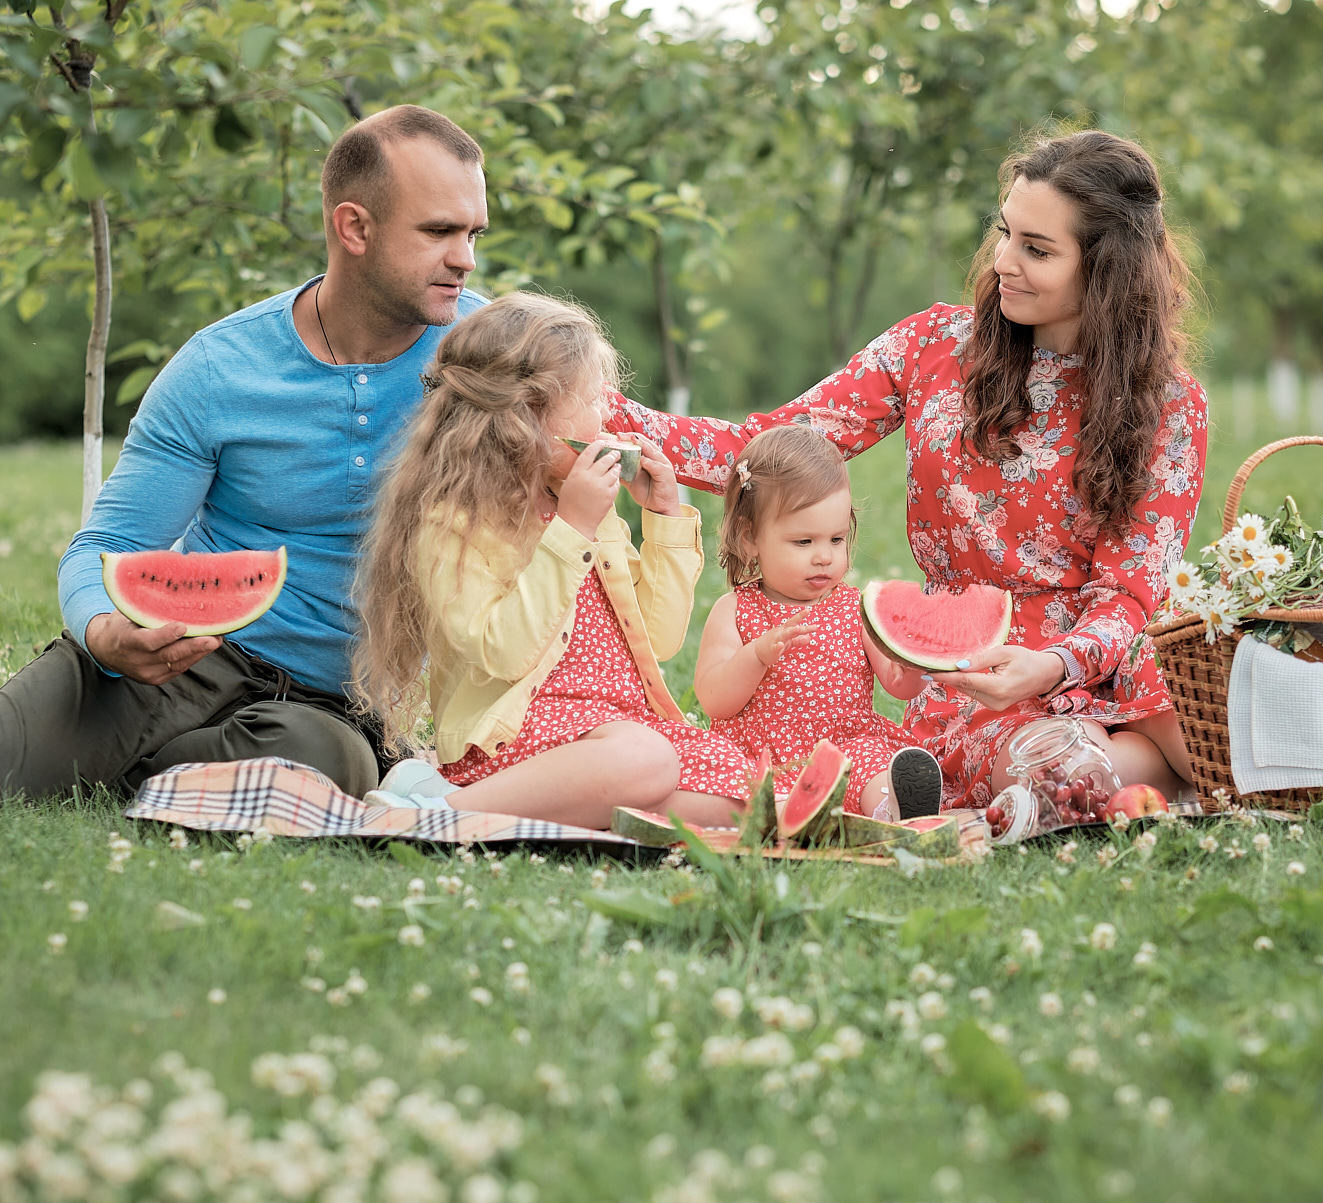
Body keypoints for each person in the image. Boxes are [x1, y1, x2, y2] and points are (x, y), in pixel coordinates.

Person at [0, 106, 492, 799]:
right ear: (354, 227)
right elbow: (106, 545)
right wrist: (106, 632)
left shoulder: (491, 359)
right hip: (181, 656)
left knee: (334, 764)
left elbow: (568, 471)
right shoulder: (221, 368)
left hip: (327, 704)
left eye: (473, 233)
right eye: (440, 232)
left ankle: (114, 771)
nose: (466, 257)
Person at [608, 129, 1207, 807]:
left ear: (1107, 271)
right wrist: (605, 414)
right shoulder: (932, 346)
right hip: (976, 674)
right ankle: (1134, 772)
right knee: (1049, 772)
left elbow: (1129, 594)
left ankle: (1145, 762)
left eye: (1037, 250)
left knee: (1218, 738)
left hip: (1108, 654)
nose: (1004, 262)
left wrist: (1053, 664)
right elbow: (763, 447)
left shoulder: (1172, 403)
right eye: (1005, 233)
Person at [351, 291, 753, 831]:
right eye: (589, 400)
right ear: (526, 417)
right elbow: (502, 653)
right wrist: (572, 528)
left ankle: (521, 803)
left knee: (738, 797)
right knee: (647, 760)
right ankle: (438, 812)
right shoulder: (458, 521)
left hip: (612, 729)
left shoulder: (583, 504)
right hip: (513, 738)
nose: (605, 414)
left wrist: (664, 519)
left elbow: (657, 640)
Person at [691, 424, 944, 820]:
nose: (824, 556)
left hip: (844, 751)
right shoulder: (734, 610)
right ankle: (780, 814)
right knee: (726, 780)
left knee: (872, 760)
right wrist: (757, 656)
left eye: (836, 539)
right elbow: (714, 699)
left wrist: (916, 661)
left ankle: (890, 809)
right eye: (804, 542)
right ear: (749, 538)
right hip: (760, 757)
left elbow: (897, 683)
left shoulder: (856, 607)